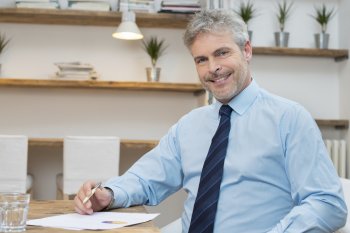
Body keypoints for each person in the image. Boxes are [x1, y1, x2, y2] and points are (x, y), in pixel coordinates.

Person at [74, 9, 347, 232]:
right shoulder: (189, 125)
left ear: (247, 51)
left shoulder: (289, 119)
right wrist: (108, 194)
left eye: (222, 53)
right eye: (201, 60)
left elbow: (327, 203)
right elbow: (147, 178)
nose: (212, 68)